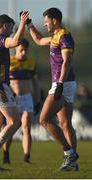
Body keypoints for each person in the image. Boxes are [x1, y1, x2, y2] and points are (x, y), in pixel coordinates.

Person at [26, 7, 79, 171]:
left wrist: (60, 84)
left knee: (44, 119)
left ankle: (69, 153)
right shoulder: (56, 36)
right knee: (65, 124)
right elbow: (39, 40)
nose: (45, 23)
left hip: (62, 84)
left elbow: (66, 62)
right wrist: (29, 24)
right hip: (65, 83)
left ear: (54, 20)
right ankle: (71, 163)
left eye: (46, 21)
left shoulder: (64, 35)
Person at [0, 12, 29, 172]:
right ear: (3, 26)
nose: (12, 29)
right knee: (15, 121)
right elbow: (16, 41)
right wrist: (23, 23)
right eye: (11, 26)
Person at [2, 38, 41, 164]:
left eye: (26, 50)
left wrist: (37, 100)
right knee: (12, 127)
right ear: (15, 49)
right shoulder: (9, 62)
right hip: (13, 99)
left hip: (27, 98)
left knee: (26, 127)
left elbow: (35, 83)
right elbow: (3, 82)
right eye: (21, 50)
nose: (24, 52)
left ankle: (26, 157)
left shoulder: (31, 63)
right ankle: (6, 153)